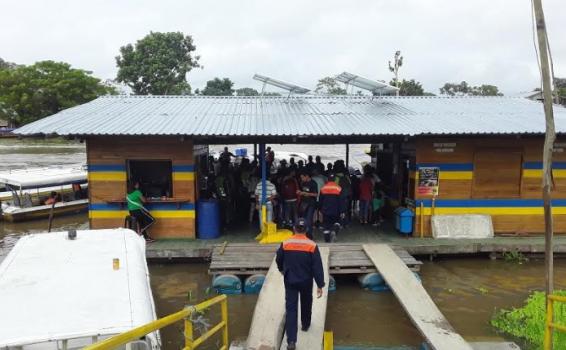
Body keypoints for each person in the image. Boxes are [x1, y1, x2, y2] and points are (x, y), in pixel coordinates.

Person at [276, 219, 325, 350]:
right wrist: (320, 284)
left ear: (294, 228)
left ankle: (291, 341)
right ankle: (305, 324)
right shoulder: (312, 245)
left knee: (291, 309)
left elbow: (279, 258)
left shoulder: (286, 243)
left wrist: (281, 269)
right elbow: (317, 267)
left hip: (290, 280)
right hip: (306, 280)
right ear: (307, 230)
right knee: (306, 302)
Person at [319, 175, 343, 242]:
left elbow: (320, 200)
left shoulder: (323, 188)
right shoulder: (338, 188)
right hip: (336, 210)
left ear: (328, 180)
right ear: (334, 180)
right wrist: (342, 211)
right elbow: (341, 200)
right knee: (337, 222)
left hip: (325, 210)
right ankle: (334, 231)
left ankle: (327, 241)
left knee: (326, 225)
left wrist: (320, 209)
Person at [297, 171, 318, 239]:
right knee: (303, 219)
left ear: (307, 176)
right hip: (303, 203)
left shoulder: (313, 183)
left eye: (302, 177)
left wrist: (305, 193)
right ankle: (303, 235)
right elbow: (301, 191)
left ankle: (309, 236)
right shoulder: (303, 183)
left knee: (309, 220)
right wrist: (299, 192)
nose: (302, 179)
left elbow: (316, 194)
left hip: (311, 203)